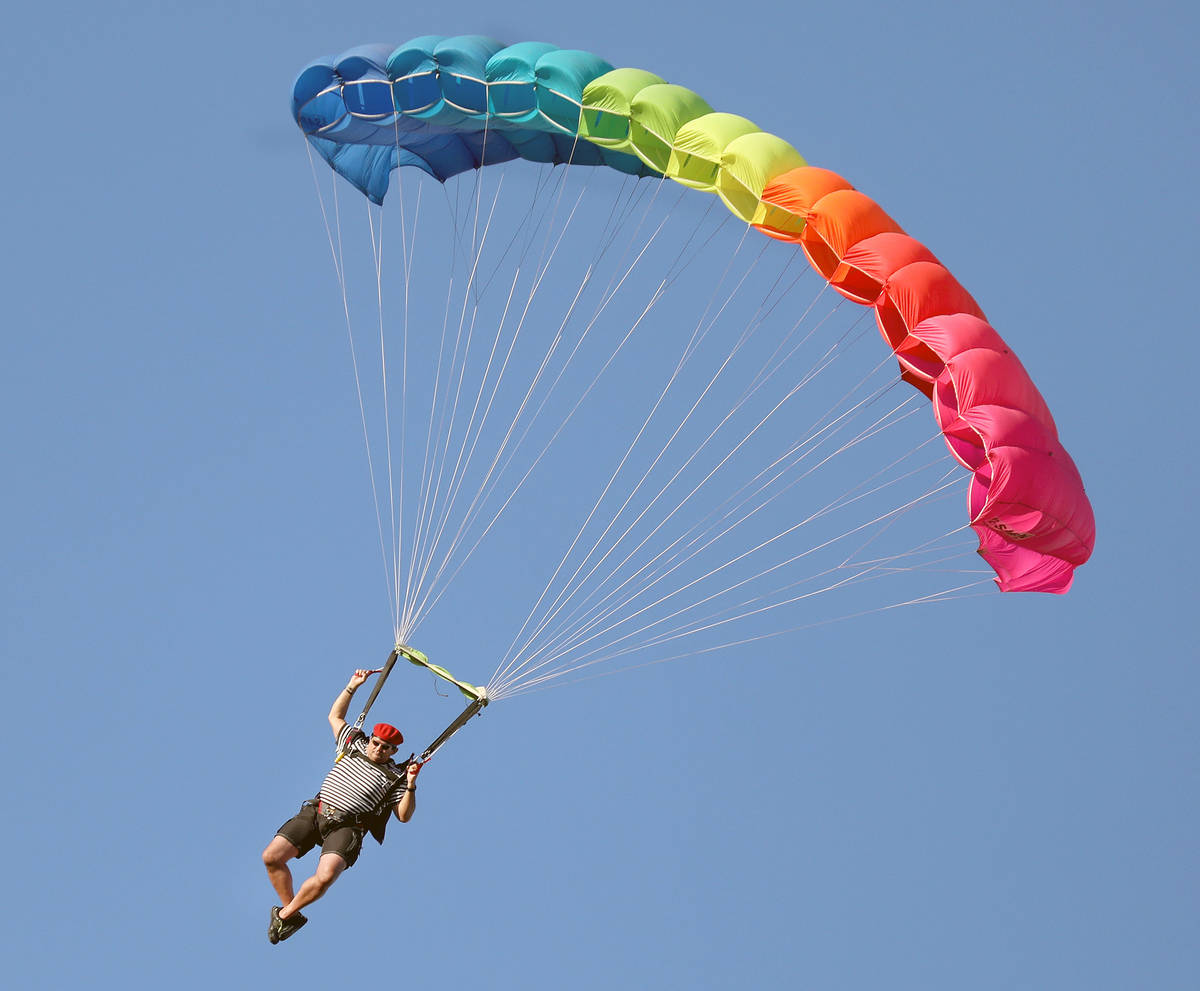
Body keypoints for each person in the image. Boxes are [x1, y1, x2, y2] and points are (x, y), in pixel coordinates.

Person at [262, 668, 421, 943]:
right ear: (370, 738)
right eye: (376, 743)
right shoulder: (352, 745)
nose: (378, 749)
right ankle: (290, 913)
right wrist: (353, 685)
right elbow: (335, 717)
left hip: (348, 827)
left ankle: (287, 915)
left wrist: (411, 784)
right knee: (271, 858)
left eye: (385, 748)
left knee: (324, 877)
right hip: (317, 811)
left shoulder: (396, 776)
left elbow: (404, 816)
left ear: (393, 752)